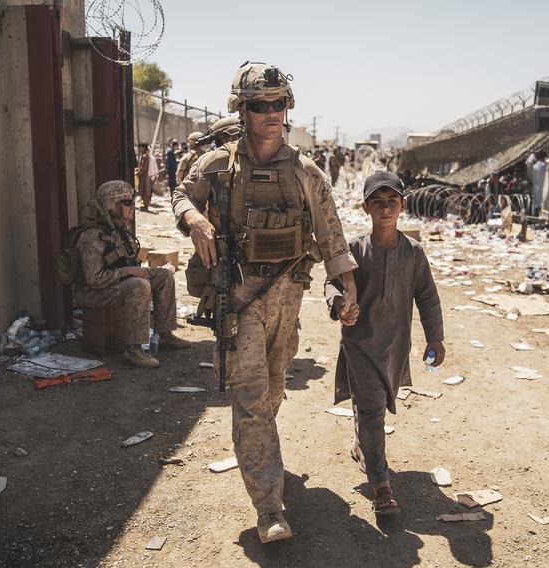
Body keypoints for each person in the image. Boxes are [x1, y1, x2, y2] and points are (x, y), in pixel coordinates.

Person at [172, 61, 358, 543]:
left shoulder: (306, 172)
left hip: (288, 297)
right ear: (243, 109)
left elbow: (332, 237)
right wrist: (194, 218)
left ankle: (263, 456)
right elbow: (179, 195)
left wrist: (346, 290)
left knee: (275, 388)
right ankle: (269, 506)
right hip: (238, 298)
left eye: (278, 104)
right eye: (259, 106)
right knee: (251, 398)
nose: (270, 113)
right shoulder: (217, 166)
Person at [325, 171, 444, 515]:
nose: (385, 208)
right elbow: (332, 283)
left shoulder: (413, 252)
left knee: (371, 406)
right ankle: (381, 485)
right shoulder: (355, 250)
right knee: (373, 407)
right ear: (366, 207)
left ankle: (363, 447)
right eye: (377, 202)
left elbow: (428, 297)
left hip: (395, 348)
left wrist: (435, 337)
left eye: (392, 202)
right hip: (360, 344)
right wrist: (339, 305)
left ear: (403, 205)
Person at [74, 181, 192, 368]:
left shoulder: (120, 230)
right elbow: (94, 279)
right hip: (92, 293)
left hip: (113, 285)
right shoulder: (93, 237)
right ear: (112, 206)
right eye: (127, 203)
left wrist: (134, 271)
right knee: (139, 285)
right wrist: (129, 272)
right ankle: (134, 349)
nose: (132, 207)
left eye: (132, 202)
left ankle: (165, 333)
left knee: (164, 276)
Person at [135, 143, 151, 211]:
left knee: (143, 191)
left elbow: (143, 168)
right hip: (143, 176)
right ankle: (145, 205)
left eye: (141, 147)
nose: (139, 149)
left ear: (144, 148)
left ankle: (146, 206)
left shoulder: (145, 156)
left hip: (143, 176)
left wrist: (137, 173)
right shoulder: (143, 155)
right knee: (143, 191)